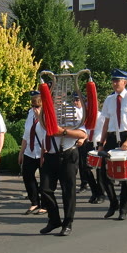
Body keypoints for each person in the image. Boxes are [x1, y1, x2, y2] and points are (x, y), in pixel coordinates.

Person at [97, 69, 127, 220]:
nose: (114, 83)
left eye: (117, 80)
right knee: (104, 174)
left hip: (126, 136)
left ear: (125, 82)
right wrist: (101, 142)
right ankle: (113, 203)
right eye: (113, 80)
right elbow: (106, 122)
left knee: (126, 177)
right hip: (112, 138)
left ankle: (123, 209)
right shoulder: (109, 100)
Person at [37, 94, 88, 237]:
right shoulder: (45, 112)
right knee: (45, 189)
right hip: (50, 155)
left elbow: (83, 134)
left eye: (56, 94)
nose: (54, 97)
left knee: (68, 191)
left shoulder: (72, 111)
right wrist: (43, 154)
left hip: (67, 154)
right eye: (51, 94)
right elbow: (44, 135)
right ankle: (54, 220)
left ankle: (67, 223)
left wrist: (64, 132)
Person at [18, 90, 45, 214]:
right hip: (30, 151)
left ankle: (45, 204)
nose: (35, 109)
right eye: (33, 106)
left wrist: (40, 117)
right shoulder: (30, 114)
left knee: (44, 180)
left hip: (42, 151)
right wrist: (21, 152)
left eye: (37, 106)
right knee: (27, 176)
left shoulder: (46, 115)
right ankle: (34, 201)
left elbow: (47, 134)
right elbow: (26, 134)